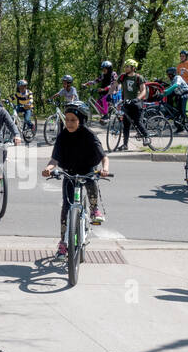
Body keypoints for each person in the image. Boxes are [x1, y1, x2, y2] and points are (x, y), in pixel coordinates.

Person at [42, 101, 109, 255]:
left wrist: (105, 169)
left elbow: (104, 158)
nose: (69, 123)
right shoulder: (62, 136)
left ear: (81, 120)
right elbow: (55, 160)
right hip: (69, 173)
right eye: (67, 119)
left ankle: (94, 209)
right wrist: (48, 168)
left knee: (91, 182)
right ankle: (64, 242)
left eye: (73, 120)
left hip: (87, 170)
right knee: (66, 207)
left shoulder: (89, 135)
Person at [115, 59, 148, 151]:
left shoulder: (138, 77)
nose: (125, 68)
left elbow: (143, 90)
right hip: (126, 104)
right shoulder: (122, 77)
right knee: (126, 125)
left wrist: (137, 99)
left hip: (136, 103)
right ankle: (125, 145)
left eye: (127, 66)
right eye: (125, 66)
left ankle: (147, 137)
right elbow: (114, 85)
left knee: (137, 122)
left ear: (133, 68)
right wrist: (109, 94)